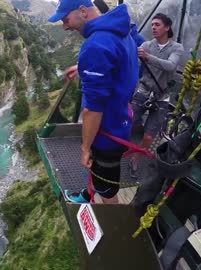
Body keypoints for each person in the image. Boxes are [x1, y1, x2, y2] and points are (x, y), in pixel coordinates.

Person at [49, 0, 139, 203]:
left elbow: (93, 109)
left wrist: (85, 147)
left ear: (82, 11)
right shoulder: (120, 31)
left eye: (66, 19)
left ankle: (114, 226)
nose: (64, 26)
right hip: (121, 119)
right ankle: (89, 194)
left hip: (107, 133)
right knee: (99, 176)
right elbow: (118, 64)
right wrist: (83, 67)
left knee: (108, 191)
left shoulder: (96, 45)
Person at [130, 13, 184, 176]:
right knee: (128, 123)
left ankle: (135, 159)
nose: (153, 27)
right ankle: (118, 150)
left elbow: (170, 65)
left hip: (162, 96)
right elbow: (133, 64)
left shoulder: (176, 48)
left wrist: (147, 57)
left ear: (167, 27)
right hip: (144, 90)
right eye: (152, 24)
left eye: (157, 24)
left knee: (149, 136)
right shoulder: (146, 45)